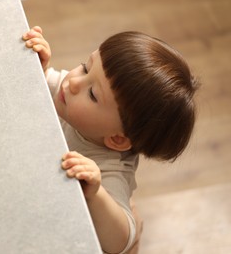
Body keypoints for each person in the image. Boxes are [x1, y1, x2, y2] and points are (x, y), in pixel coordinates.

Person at [22, 26, 199, 254]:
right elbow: (46, 83)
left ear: (116, 139)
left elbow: (122, 241)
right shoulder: (72, 94)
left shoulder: (109, 171)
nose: (74, 82)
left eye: (93, 94)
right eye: (86, 67)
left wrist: (96, 195)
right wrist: (38, 68)